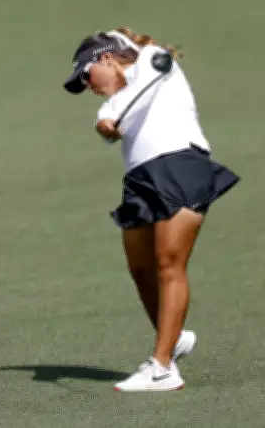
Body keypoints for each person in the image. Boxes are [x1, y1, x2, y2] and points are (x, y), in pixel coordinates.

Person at [62, 27, 240, 392]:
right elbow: (105, 122)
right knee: (140, 268)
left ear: (106, 58)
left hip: (179, 165)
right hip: (140, 179)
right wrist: (105, 125)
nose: (87, 84)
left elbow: (146, 51)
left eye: (86, 74)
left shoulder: (154, 61)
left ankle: (161, 367)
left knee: (167, 264)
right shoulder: (112, 102)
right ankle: (172, 339)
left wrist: (120, 39)